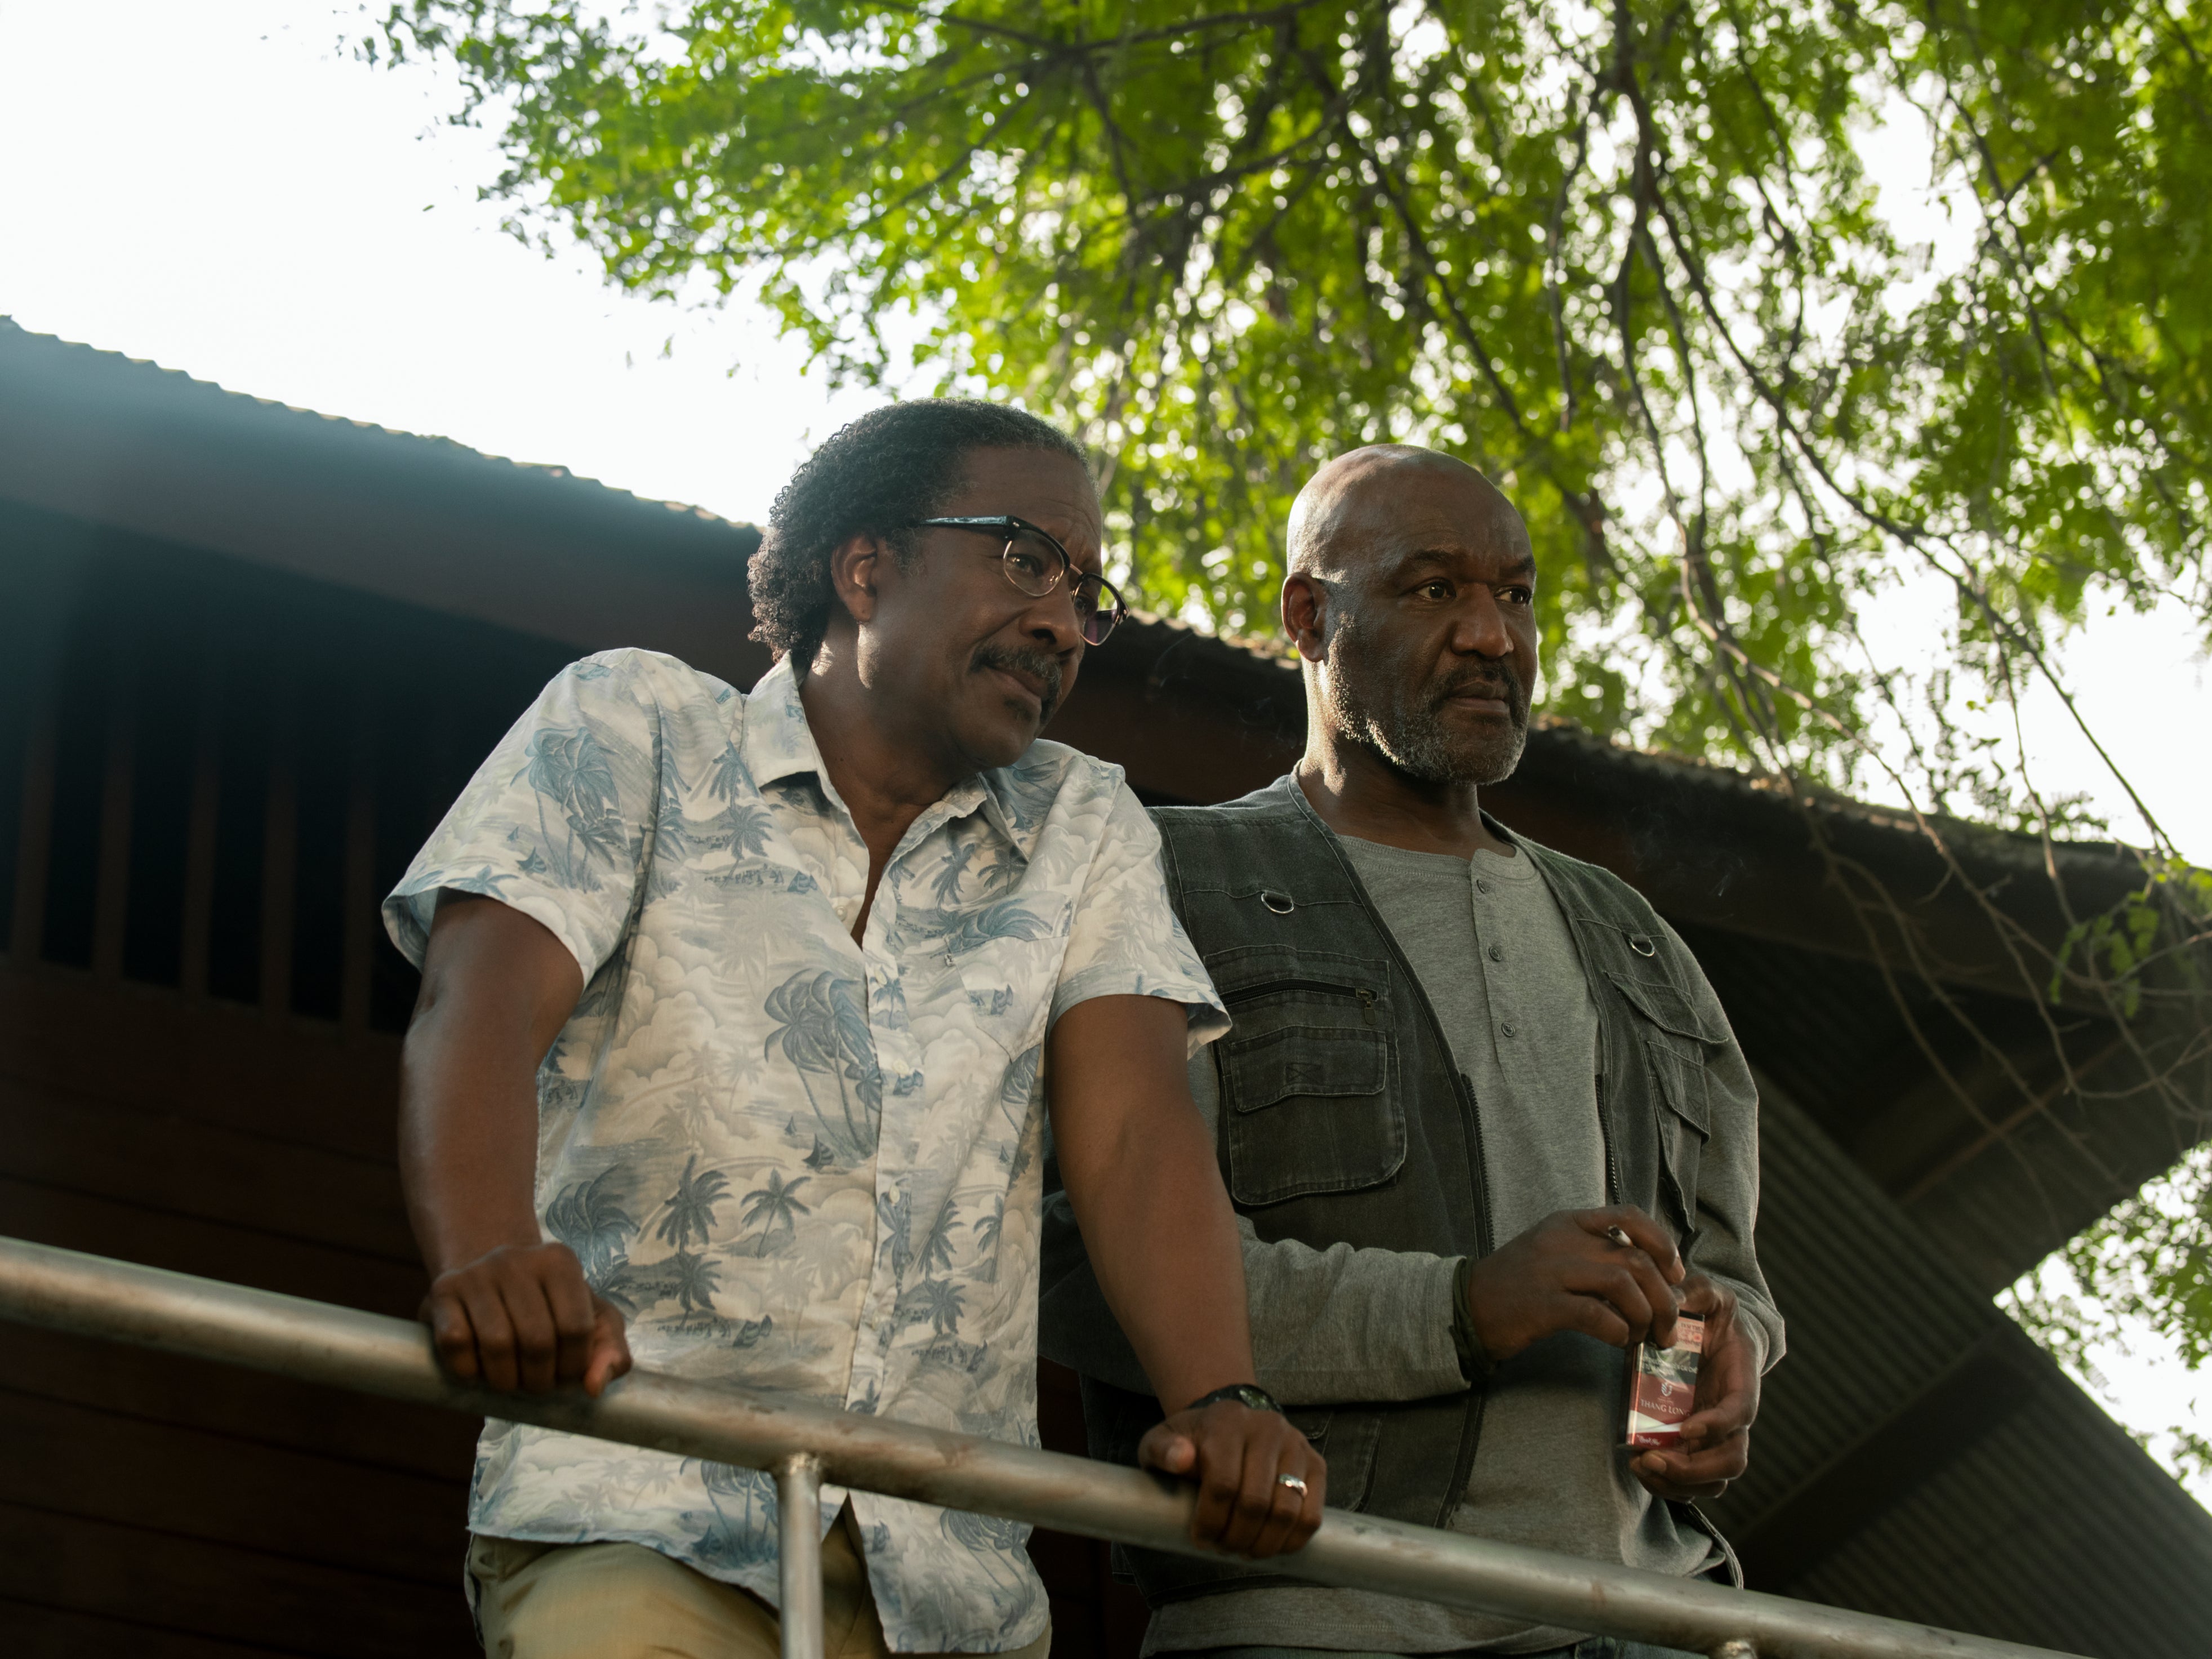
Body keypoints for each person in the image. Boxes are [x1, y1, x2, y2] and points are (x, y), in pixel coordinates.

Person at [385, 400, 1324, 1659]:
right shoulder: (636, 727)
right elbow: (480, 1004)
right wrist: (487, 1250)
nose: (1060, 620)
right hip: (637, 1507)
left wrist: (1221, 1394)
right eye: (1025, 558)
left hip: (946, 1592)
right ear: (865, 566)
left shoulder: (1082, 823)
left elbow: (1136, 1136)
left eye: (1084, 594)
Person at [1040, 444, 1784, 1658]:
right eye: (1433, 589)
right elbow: (1083, 1262)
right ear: (1307, 616)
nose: (1492, 634)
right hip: (1318, 1608)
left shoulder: (1633, 939)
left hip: (1654, 1616)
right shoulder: (1163, 881)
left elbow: (1732, 1275)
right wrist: (1466, 1305)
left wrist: (1731, 1358)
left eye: (1517, 593)